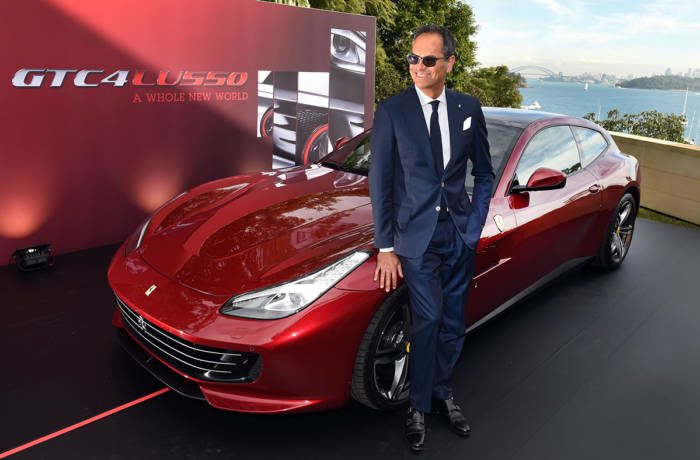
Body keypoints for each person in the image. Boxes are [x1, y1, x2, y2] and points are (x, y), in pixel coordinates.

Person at [368, 24, 494, 452]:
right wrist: (386, 247)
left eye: (427, 59)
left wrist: (474, 224)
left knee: (454, 323)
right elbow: (381, 183)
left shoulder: (467, 108)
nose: (417, 66)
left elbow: (485, 171)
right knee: (428, 320)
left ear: (449, 64)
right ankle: (418, 405)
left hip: (459, 235)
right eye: (412, 59)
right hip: (415, 241)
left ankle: (443, 393)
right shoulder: (392, 111)